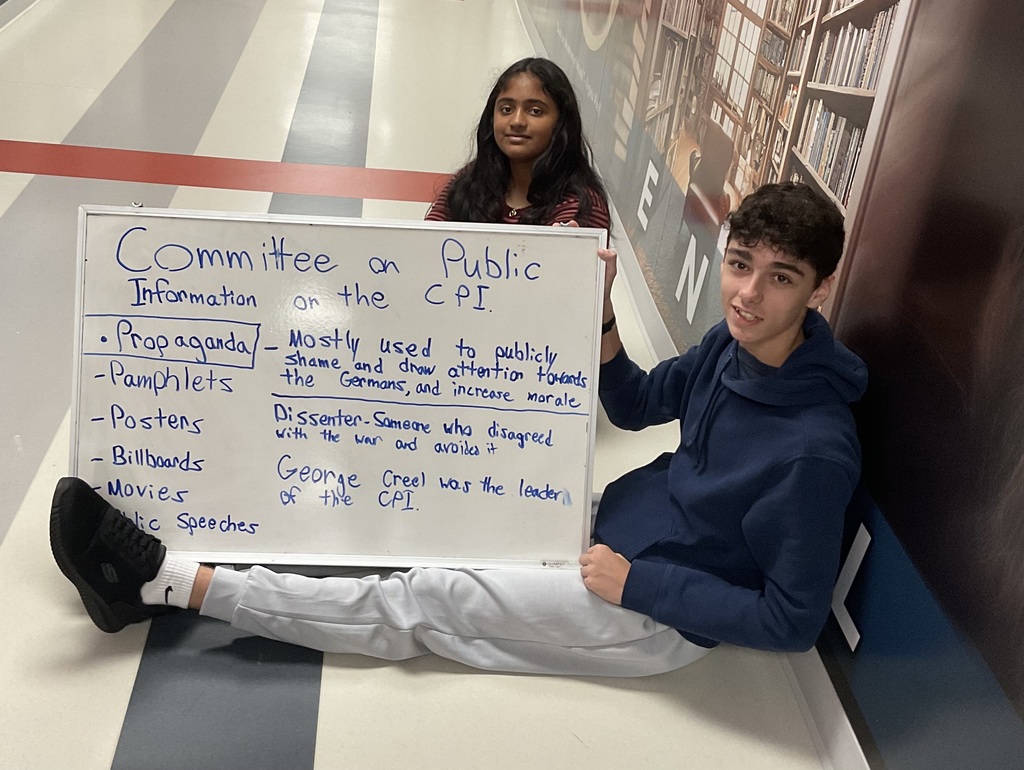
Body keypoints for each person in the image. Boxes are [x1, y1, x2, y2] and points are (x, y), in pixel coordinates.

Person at [50, 180, 866, 677]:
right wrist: (599, 311)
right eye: (739, 263)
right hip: (613, 531)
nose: (748, 294)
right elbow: (635, 405)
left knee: (429, 601)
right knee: (436, 510)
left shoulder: (814, 453)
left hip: (652, 613)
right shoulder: (734, 343)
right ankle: (209, 545)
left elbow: (789, 622)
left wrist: (639, 586)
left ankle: (167, 584)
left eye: (781, 277)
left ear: (819, 290)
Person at [424, 57, 610, 232]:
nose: (517, 121)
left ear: (561, 123)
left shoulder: (581, 207)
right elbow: (424, 241)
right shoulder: (472, 180)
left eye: (535, 111)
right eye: (506, 109)